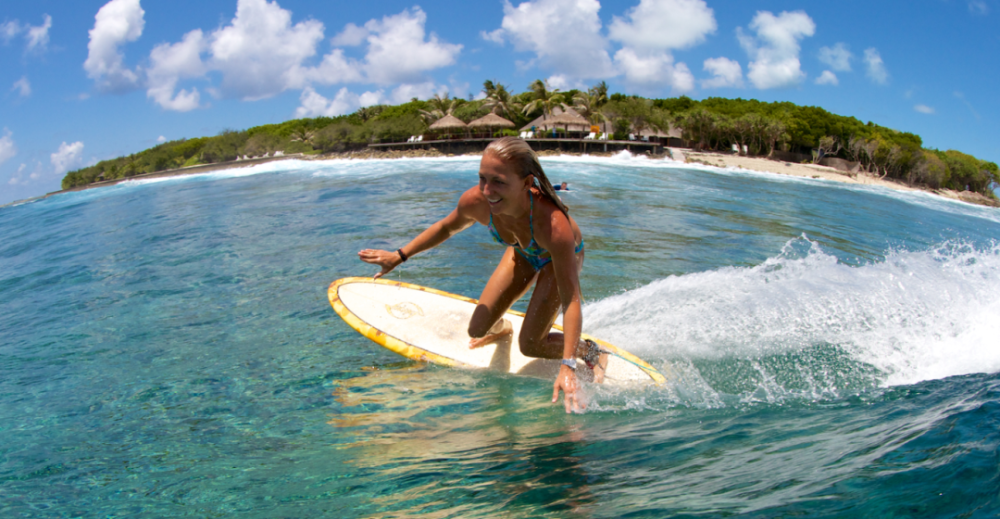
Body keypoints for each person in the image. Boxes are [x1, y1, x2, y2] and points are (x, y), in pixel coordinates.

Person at [358, 137, 606, 413]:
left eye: (498, 181)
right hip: (522, 252)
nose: (487, 190)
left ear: (526, 183)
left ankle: (592, 351)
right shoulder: (476, 201)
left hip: (557, 260)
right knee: (477, 329)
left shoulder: (554, 226)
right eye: (482, 178)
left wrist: (568, 365)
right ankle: (504, 328)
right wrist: (399, 255)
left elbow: (571, 299)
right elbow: (445, 227)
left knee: (531, 345)